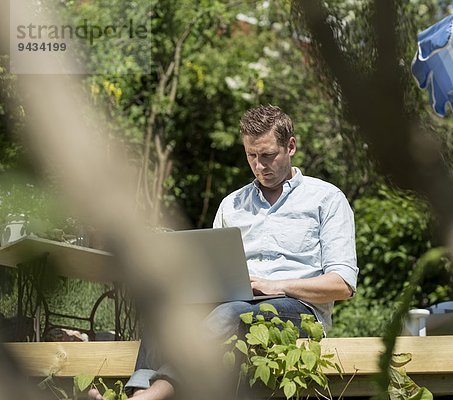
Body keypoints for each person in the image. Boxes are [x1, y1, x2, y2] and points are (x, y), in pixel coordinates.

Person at [89, 105, 358, 400]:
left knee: (232, 312)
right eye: (251, 156)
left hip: (300, 314)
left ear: (290, 146)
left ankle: (155, 394)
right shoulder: (232, 205)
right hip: (233, 308)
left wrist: (274, 286)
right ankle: (137, 390)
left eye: (267, 155)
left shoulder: (326, 199)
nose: (259, 166)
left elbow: (342, 285)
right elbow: (211, 275)